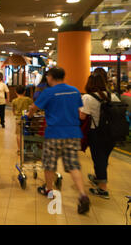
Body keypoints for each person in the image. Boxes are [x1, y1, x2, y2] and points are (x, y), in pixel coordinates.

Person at [27, 67, 90, 214]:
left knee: (49, 163)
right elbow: (81, 114)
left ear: (50, 77)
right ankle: (82, 194)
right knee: (73, 165)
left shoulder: (49, 92)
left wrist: (30, 114)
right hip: (73, 133)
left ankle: (49, 190)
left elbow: (34, 108)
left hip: (54, 133)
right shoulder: (74, 91)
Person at [79, 74, 121, 199]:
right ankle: (99, 177)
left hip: (96, 133)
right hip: (112, 132)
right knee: (103, 157)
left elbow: (82, 116)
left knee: (99, 158)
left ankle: (103, 189)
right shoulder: (113, 96)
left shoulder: (87, 97)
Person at [12, 85, 33, 154]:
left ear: (16, 92)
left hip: (18, 119)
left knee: (18, 134)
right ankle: (28, 149)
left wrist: (15, 113)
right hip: (27, 118)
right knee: (27, 133)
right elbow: (31, 108)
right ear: (24, 92)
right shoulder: (28, 99)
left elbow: (13, 111)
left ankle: (19, 150)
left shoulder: (14, 101)